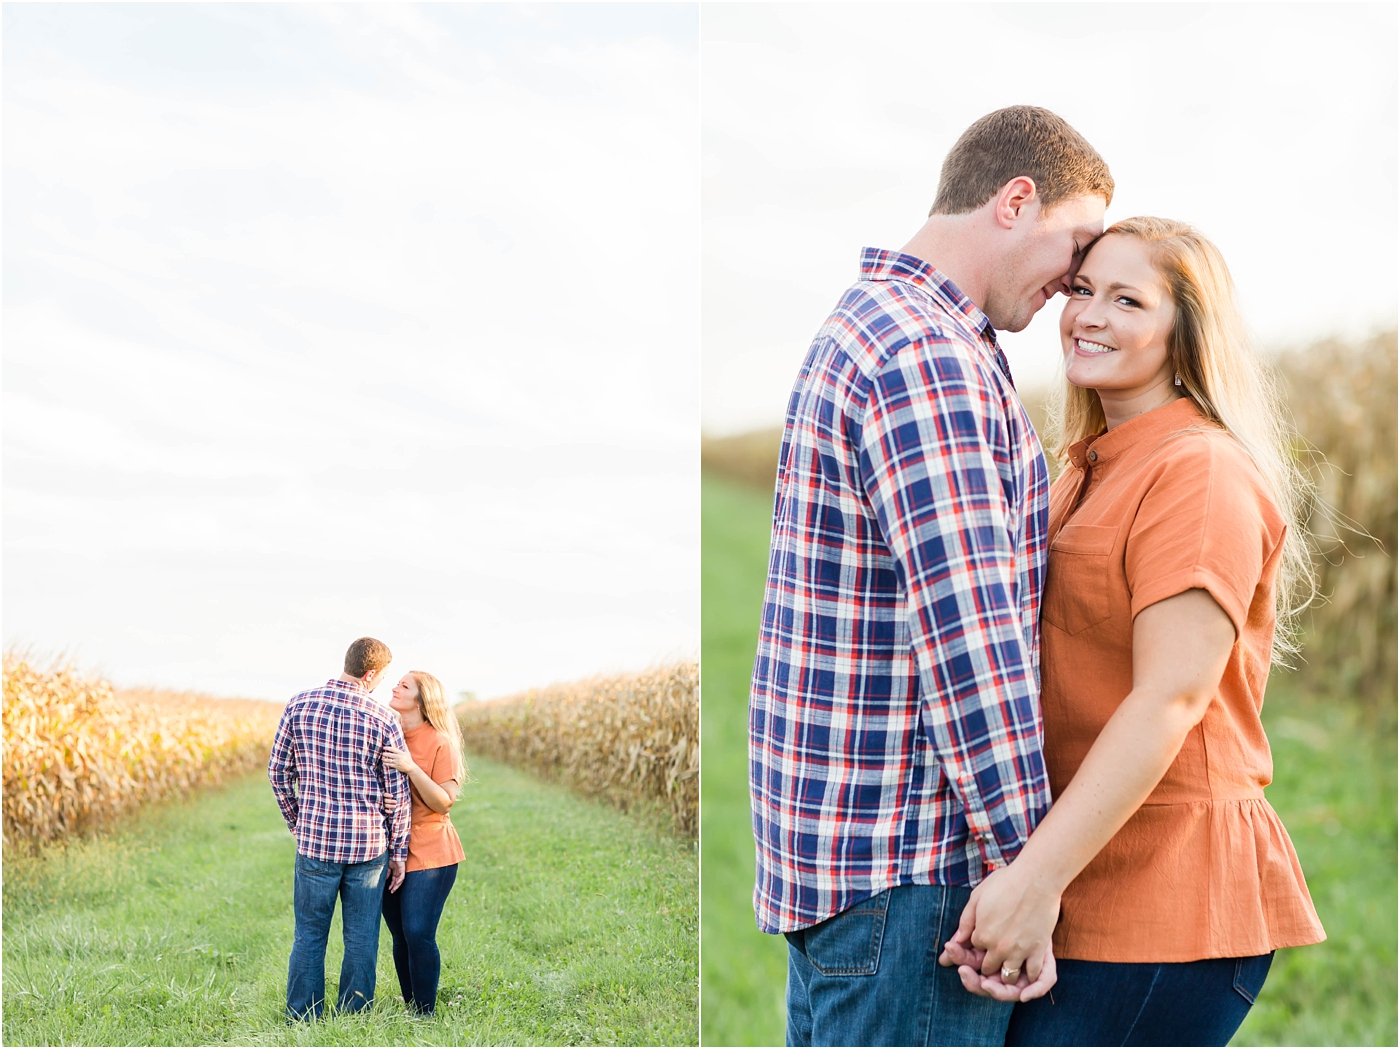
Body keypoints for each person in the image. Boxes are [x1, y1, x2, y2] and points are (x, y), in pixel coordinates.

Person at [748, 105, 1112, 1047]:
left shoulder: (883, 323)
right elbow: (969, 641)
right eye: (1076, 242)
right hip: (912, 873)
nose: (1078, 279)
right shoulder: (926, 354)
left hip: (863, 866)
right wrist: (1027, 872)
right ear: (1014, 200)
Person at [939, 217, 1326, 1046]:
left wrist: (1033, 879)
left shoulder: (1198, 469)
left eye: (1127, 299)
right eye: (1082, 289)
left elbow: (1171, 697)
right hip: (1088, 875)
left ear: (1183, 331)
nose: (1089, 314)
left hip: (1167, 898)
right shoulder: (1083, 463)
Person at [267, 636, 411, 1021]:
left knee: (309, 935)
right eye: (383, 677)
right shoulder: (384, 719)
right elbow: (396, 795)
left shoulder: (299, 704)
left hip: (315, 844)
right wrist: (398, 853)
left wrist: (299, 822)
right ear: (370, 673)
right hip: (368, 848)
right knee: (362, 937)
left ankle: (302, 1015)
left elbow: (278, 772)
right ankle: (355, 1014)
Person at [380, 670, 467, 1016]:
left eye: (404, 686)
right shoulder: (387, 733)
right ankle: (411, 1003)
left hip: (432, 850)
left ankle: (425, 1014)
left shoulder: (440, 741)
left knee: (418, 931)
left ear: (422, 700)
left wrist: (411, 768)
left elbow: (444, 801)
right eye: (396, 683)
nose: (395, 687)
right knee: (400, 935)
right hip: (390, 848)